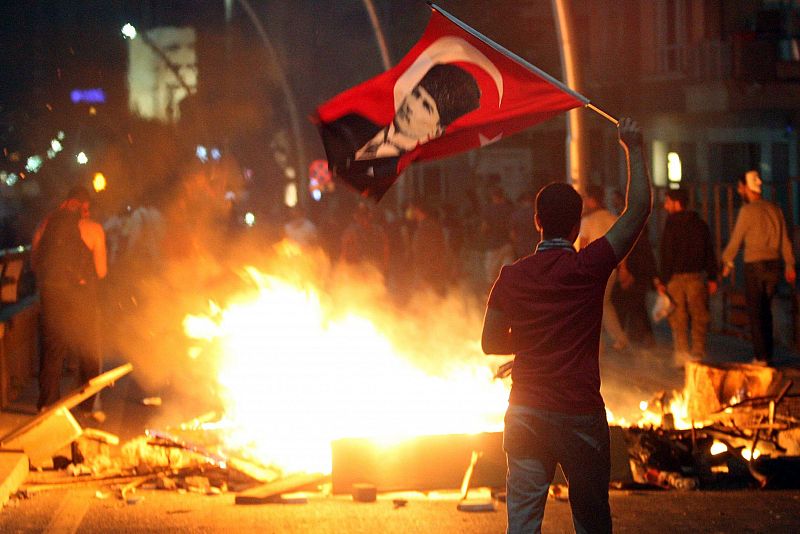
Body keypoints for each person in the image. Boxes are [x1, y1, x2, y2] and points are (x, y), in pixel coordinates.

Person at [481, 118, 651, 534]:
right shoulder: (589, 267)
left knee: (522, 523)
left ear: (537, 222)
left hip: (524, 411)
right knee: (592, 520)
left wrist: (530, 347)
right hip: (579, 414)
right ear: (577, 225)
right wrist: (633, 148)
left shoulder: (511, 275)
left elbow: (489, 344)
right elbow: (639, 210)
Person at [319, 63, 480, 199]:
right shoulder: (353, 125)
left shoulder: (394, 173)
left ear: (437, 130)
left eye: (426, 106)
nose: (412, 106)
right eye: (416, 95)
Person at [32, 185, 107, 416]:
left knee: (53, 349)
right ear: (85, 207)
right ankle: (86, 405)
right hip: (80, 297)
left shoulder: (46, 225)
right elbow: (101, 271)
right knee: (88, 350)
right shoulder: (93, 229)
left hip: (52, 294)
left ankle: (47, 405)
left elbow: (35, 261)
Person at [721, 169, 796, 365]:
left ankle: (760, 357)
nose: (739, 191)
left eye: (740, 187)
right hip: (775, 265)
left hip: (754, 266)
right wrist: (789, 264)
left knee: (755, 311)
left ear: (747, 187)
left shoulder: (747, 211)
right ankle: (768, 354)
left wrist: (727, 261)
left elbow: (737, 239)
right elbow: (785, 240)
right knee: (767, 310)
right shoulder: (775, 209)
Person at [655, 189, 718, 363]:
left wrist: (662, 280)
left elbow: (666, 254)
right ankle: (698, 353)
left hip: (675, 279)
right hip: (696, 278)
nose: (666, 206)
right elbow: (709, 252)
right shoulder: (700, 224)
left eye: (668, 201)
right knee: (699, 317)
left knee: (678, 318)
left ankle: (682, 355)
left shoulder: (671, 224)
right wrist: (712, 277)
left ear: (676, 202)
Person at [578, 184, 630, 351]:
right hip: (610, 268)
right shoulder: (612, 219)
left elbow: (583, 248)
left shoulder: (587, 221)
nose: (584, 201)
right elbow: (622, 246)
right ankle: (619, 338)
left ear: (592, 199)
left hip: (592, 269)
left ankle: (598, 343)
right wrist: (623, 268)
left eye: (586, 197)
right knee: (604, 304)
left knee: (593, 306)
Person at [482, 184, 515, 285]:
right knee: (508, 273)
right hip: (507, 245)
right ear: (503, 195)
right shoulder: (509, 209)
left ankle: (492, 295)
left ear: (493, 196)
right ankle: (509, 295)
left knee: (491, 275)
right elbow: (512, 230)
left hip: (493, 245)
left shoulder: (487, 209)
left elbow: (484, 227)